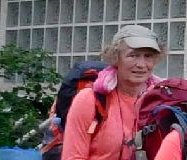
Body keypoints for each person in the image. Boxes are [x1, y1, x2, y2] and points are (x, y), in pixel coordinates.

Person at [63, 24, 164, 160]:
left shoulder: (160, 101)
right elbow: (73, 157)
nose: (141, 64)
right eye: (133, 55)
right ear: (116, 58)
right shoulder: (90, 100)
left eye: (148, 56)